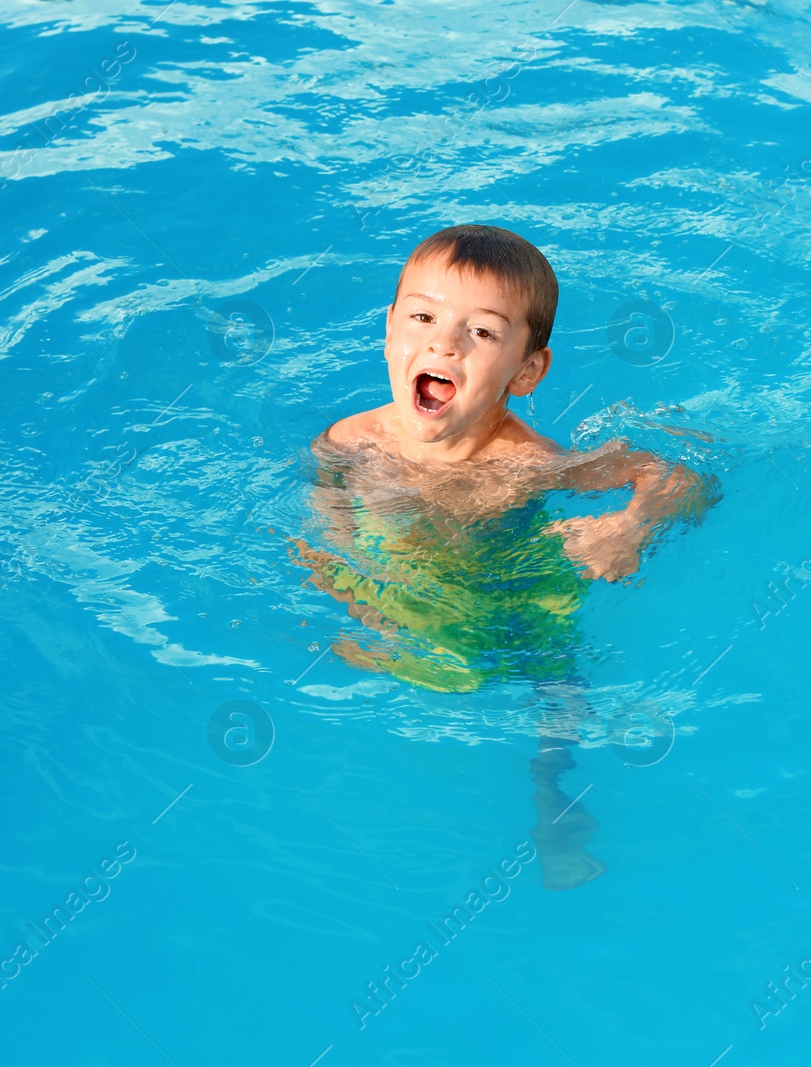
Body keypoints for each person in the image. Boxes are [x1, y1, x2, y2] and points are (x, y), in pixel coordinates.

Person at [292, 223, 713, 889]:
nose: (443, 341)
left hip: (521, 591)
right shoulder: (352, 439)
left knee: (558, 692)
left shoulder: (527, 464)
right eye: (423, 316)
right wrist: (344, 575)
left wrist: (630, 526)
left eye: (481, 332)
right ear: (389, 330)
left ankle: (554, 803)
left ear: (526, 370)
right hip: (416, 593)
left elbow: (679, 477)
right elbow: (329, 497)